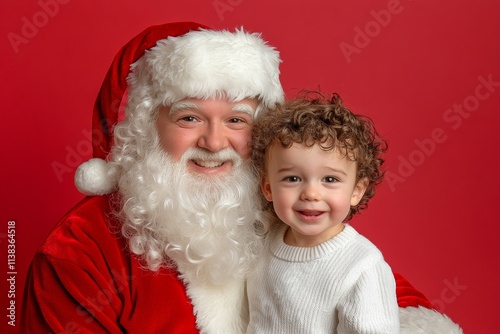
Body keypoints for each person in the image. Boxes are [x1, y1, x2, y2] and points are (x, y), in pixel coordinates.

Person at [19, 22, 462, 333]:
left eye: (237, 120)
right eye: (189, 117)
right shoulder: (79, 250)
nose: (215, 143)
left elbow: (368, 283)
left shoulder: (278, 207)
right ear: (145, 127)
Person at [247, 93, 398, 333]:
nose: (311, 193)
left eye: (330, 179)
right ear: (268, 188)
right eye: (292, 178)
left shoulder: (362, 266)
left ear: (356, 191)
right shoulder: (263, 244)